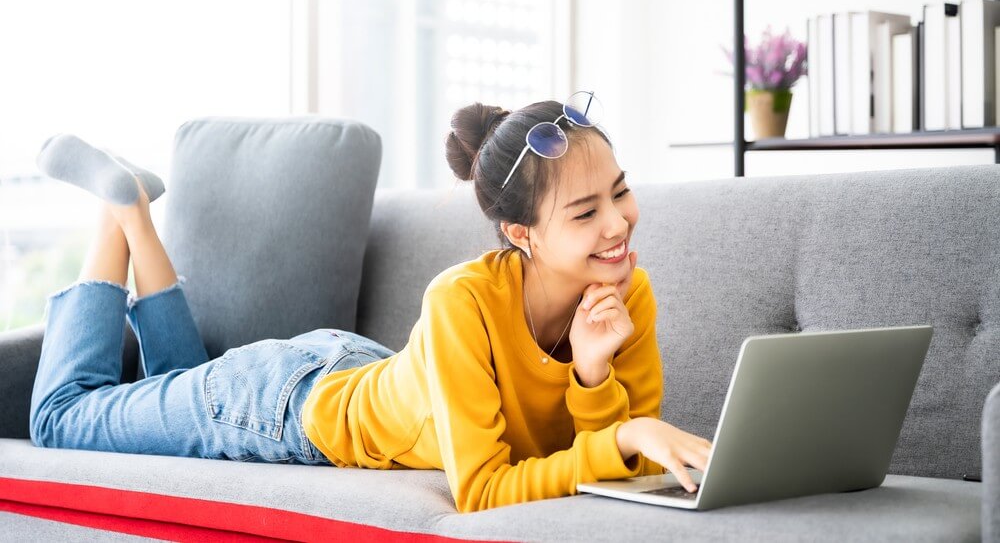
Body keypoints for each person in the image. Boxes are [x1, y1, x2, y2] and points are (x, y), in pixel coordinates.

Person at [29, 92, 711, 514]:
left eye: (620, 192)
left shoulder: (625, 293)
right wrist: (619, 432)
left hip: (371, 374)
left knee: (169, 391)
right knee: (62, 420)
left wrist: (593, 377)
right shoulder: (462, 301)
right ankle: (116, 210)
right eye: (587, 211)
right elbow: (483, 489)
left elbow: (643, 471)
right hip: (288, 406)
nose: (619, 224)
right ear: (520, 232)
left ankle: (137, 215)